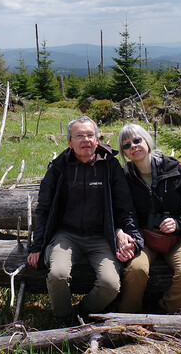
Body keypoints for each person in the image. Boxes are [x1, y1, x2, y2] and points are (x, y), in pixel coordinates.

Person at [27, 115, 143, 327]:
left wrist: (134, 239)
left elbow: (125, 208)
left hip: (101, 236)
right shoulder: (58, 167)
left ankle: (82, 314)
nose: (86, 140)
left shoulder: (110, 166)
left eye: (90, 135)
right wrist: (37, 246)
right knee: (57, 275)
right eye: (79, 136)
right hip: (66, 235)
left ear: (97, 140)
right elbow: (43, 209)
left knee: (110, 284)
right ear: (69, 142)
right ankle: (63, 320)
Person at [116, 123, 181, 314]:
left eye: (137, 140)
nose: (133, 146)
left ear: (147, 142)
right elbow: (120, 211)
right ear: (124, 152)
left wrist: (179, 223)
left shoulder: (174, 169)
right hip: (143, 237)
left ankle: (164, 315)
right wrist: (122, 234)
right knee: (136, 271)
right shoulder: (125, 177)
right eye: (126, 145)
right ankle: (128, 317)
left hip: (178, 237)